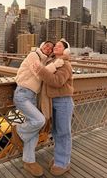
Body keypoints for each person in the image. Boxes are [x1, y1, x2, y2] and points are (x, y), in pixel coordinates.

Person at [11, 41, 64, 177]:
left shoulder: (45, 61)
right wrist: (55, 65)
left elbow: (47, 75)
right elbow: (39, 74)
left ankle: (29, 161)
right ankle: (18, 130)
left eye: (51, 48)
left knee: (34, 131)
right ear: (41, 46)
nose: (48, 48)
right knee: (40, 120)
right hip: (22, 94)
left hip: (33, 96)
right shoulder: (33, 55)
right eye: (46, 45)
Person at [34, 39, 74, 176]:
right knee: (57, 133)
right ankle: (60, 158)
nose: (56, 47)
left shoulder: (66, 65)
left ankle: (63, 163)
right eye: (55, 45)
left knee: (63, 133)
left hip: (63, 101)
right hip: (53, 101)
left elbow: (57, 82)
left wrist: (41, 71)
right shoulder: (51, 62)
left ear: (66, 50)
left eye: (59, 46)